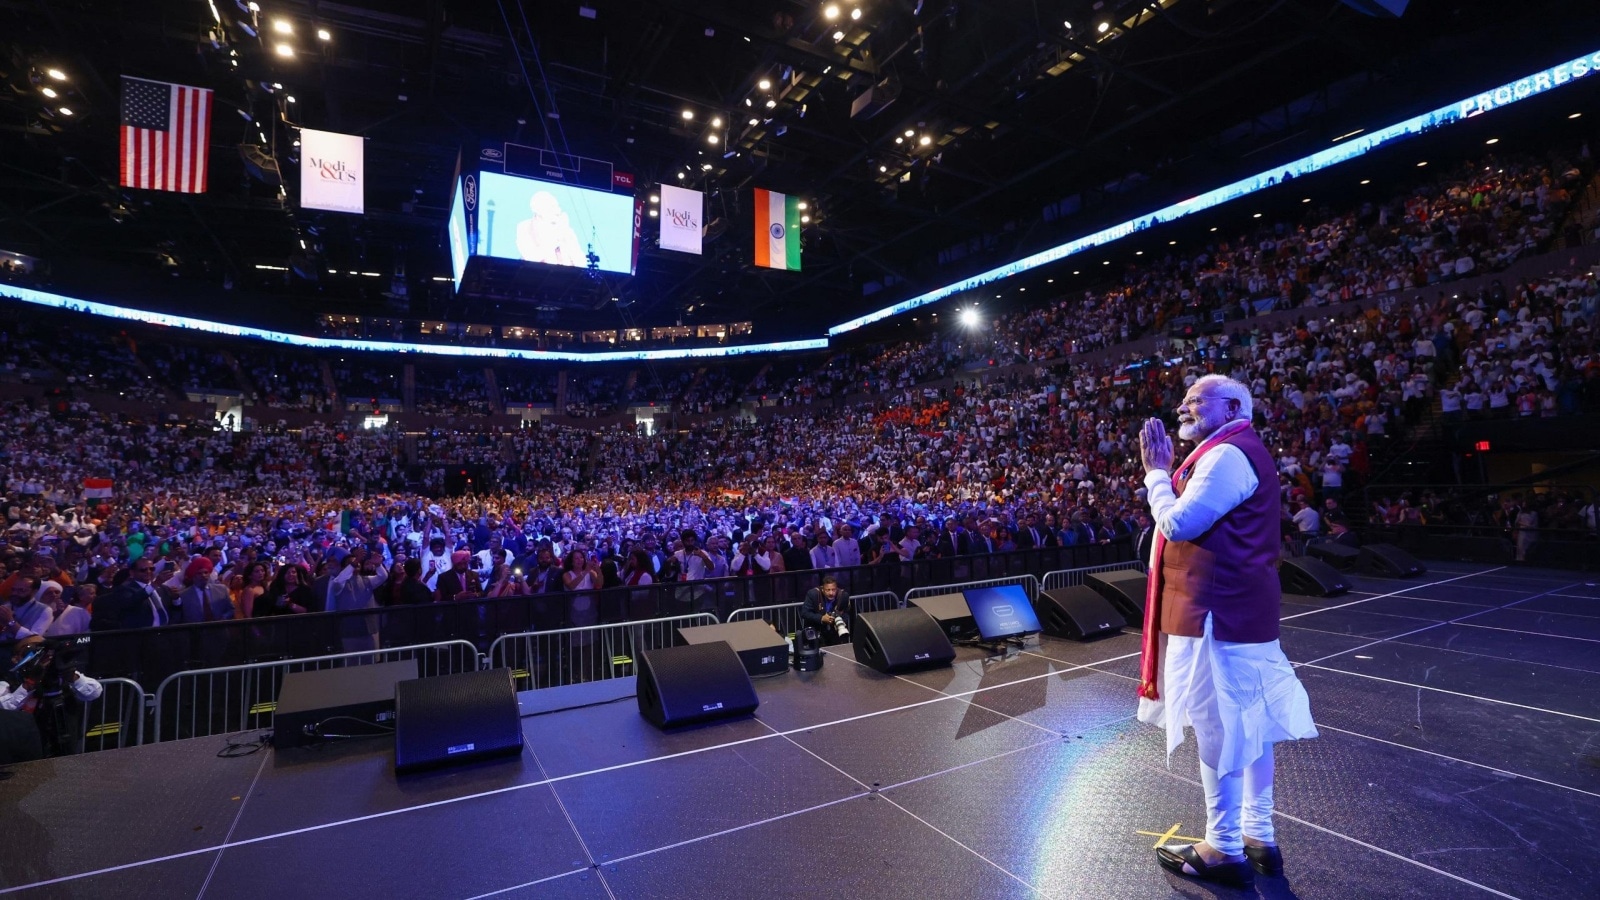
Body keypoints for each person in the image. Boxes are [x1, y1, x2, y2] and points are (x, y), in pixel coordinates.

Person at [1136, 374, 1317, 887]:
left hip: (1214, 614)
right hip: (1237, 611)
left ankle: (1222, 847)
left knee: (1218, 731)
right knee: (1252, 729)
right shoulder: (1234, 450)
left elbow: (1178, 525)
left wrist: (1156, 475)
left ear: (1234, 406)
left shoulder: (1228, 454)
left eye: (1196, 400)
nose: (1182, 407)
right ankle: (1258, 837)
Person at [0, 634, 104, 759]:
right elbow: (4, 708)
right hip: (28, 743)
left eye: (43, 649)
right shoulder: (8, 682)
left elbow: (94, 692)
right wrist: (30, 683)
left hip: (65, 740)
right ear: (16, 658)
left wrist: (71, 675)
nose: (41, 653)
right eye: (31, 648)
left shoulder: (60, 672)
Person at [800, 575, 854, 646]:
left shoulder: (843, 596)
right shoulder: (813, 594)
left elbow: (847, 612)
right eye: (828, 590)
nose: (831, 593)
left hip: (834, 634)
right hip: (816, 633)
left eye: (833, 589)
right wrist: (821, 618)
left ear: (837, 588)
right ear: (823, 589)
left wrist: (842, 620)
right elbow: (804, 613)